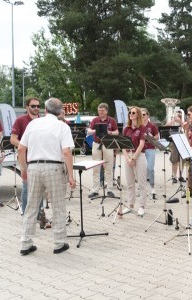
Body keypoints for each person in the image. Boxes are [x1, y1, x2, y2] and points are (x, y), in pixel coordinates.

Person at [18, 97, 76, 256]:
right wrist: (71, 175)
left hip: (34, 167)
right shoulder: (62, 126)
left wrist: (24, 169)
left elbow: (21, 149)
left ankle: (25, 243)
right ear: (59, 111)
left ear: (45, 109)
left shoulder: (33, 124)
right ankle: (59, 243)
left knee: (31, 207)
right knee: (58, 206)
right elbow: (66, 152)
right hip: (54, 168)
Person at [10, 97, 41, 214]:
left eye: (38, 106)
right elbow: (13, 140)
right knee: (27, 187)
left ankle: (39, 214)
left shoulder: (42, 120)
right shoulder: (20, 120)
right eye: (33, 106)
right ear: (27, 107)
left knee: (40, 188)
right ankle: (26, 214)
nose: (36, 108)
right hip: (26, 158)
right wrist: (25, 146)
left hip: (41, 159)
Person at [87, 103, 119, 198]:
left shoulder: (112, 120)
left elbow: (117, 132)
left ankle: (109, 189)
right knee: (96, 168)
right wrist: (95, 131)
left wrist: (110, 132)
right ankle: (95, 190)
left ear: (106, 111)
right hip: (97, 144)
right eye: (99, 110)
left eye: (102, 111)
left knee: (109, 167)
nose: (100, 112)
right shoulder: (95, 120)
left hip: (108, 144)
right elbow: (89, 130)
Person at [123, 106, 148, 217]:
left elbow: (142, 144)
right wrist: (128, 158)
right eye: (129, 112)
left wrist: (134, 158)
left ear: (137, 114)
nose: (131, 114)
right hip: (128, 155)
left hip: (139, 155)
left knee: (142, 183)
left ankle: (142, 206)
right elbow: (122, 145)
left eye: (133, 112)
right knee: (129, 183)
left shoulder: (142, 128)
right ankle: (130, 205)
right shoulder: (126, 128)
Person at [140, 108, 159, 199]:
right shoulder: (138, 125)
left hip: (150, 148)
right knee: (141, 170)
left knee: (150, 168)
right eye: (141, 114)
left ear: (148, 115)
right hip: (140, 149)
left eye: (144, 114)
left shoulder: (152, 126)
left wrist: (152, 137)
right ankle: (142, 189)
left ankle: (152, 187)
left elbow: (157, 137)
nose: (142, 116)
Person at [166, 110, 186, 184]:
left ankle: (181, 175)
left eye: (180, 114)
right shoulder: (172, 120)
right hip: (174, 141)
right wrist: (171, 122)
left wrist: (180, 121)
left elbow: (186, 127)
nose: (178, 115)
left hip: (183, 141)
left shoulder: (183, 120)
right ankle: (174, 176)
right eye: (177, 114)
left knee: (182, 160)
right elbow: (165, 128)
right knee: (174, 160)